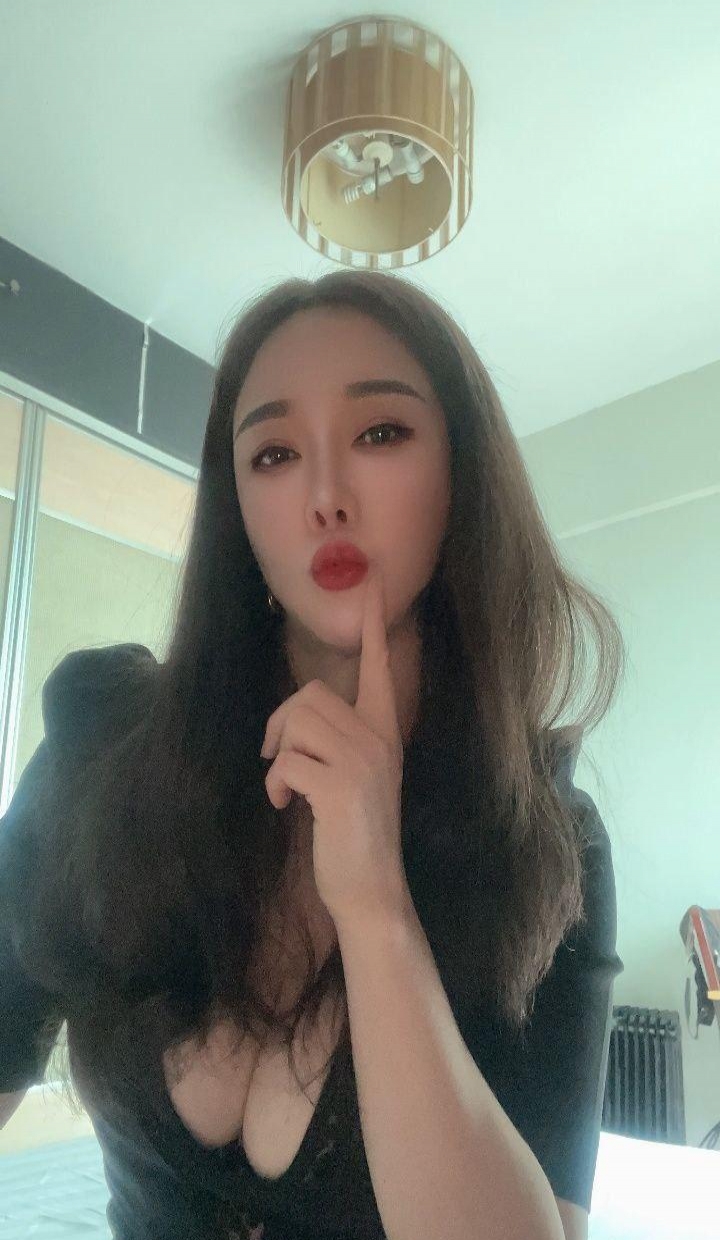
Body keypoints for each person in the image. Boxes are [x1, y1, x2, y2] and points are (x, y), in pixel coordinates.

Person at [0, 270, 625, 1240]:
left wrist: (377, 910)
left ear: (462, 477)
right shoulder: (102, 741)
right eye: (275, 453)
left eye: (381, 434)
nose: (326, 496)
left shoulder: (545, 842)